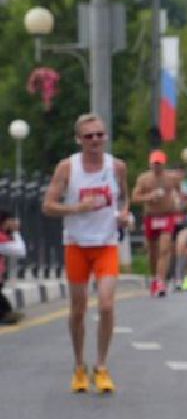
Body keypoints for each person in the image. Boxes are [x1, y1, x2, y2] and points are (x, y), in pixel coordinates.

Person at [41, 113, 133, 394]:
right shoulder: (67, 168)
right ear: (79, 139)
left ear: (105, 137)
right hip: (77, 244)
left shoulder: (116, 167)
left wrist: (124, 215)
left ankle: (101, 366)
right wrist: (76, 209)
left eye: (99, 135)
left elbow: (124, 198)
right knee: (78, 310)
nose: (95, 140)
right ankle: (79, 366)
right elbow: (48, 205)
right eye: (89, 136)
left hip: (106, 244)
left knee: (106, 305)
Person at [131, 148, 187, 297]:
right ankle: (155, 278)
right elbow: (135, 197)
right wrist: (149, 197)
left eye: (159, 164)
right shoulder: (143, 179)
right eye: (154, 164)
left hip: (167, 216)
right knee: (153, 252)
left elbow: (179, 191)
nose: (157, 166)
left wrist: (179, 201)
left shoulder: (171, 178)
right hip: (151, 217)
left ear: (164, 164)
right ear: (150, 164)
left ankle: (161, 281)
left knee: (164, 249)